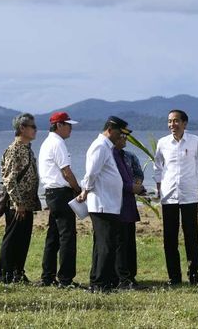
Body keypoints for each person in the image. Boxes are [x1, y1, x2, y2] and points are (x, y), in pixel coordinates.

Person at [76, 116, 131, 293]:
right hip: (102, 203)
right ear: (111, 129)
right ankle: (100, 283)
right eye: (120, 133)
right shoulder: (100, 146)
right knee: (105, 245)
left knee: (105, 244)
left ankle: (101, 280)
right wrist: (86, 189)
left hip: (109, 203)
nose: (121, 137)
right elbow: (92, 172)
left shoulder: (107, 147)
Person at [153, 109, 198, 286]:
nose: (172, 125)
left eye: (176, 121)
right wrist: (159, 188)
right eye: (169, 121)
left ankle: (193, 274)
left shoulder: (194, 141)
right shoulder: (162, 143)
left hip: (189, 194)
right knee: (170, 238)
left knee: (191, 236)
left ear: (184, 123)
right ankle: (174, 277)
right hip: (169, 195)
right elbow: (158, 167)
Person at [38, 111, 82, 288]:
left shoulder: (47, 142)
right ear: (59, 125)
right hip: (61, 193)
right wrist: (77, 189)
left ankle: (47, 276)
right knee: (67, 236)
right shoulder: (58, 143)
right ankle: (65, 278)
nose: (70, 129)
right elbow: (66, 171)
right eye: (68, 125)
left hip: (51, 193)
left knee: (54, 236)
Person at [0, 113, 42, 284]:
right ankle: (5, 274)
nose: (36, 130)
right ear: (22, 128)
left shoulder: (27, 149)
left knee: (23, 240)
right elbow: (9, 179)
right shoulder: (14, 149)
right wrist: (18, 203)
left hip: (27, 203)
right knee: (12, 238)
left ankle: (17, 272)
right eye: (33, 127)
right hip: (17, 205)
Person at [112, 131, 144, 289]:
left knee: (130, 241)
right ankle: (121, 277)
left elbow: (138, 173)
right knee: (120, 242)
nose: (125, 139)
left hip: (129, 203)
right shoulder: (109, 155)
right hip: (116, 204)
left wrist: (137, 185)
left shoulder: (130, 156)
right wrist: (131, 187)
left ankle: (131, 275)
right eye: (122, 136)